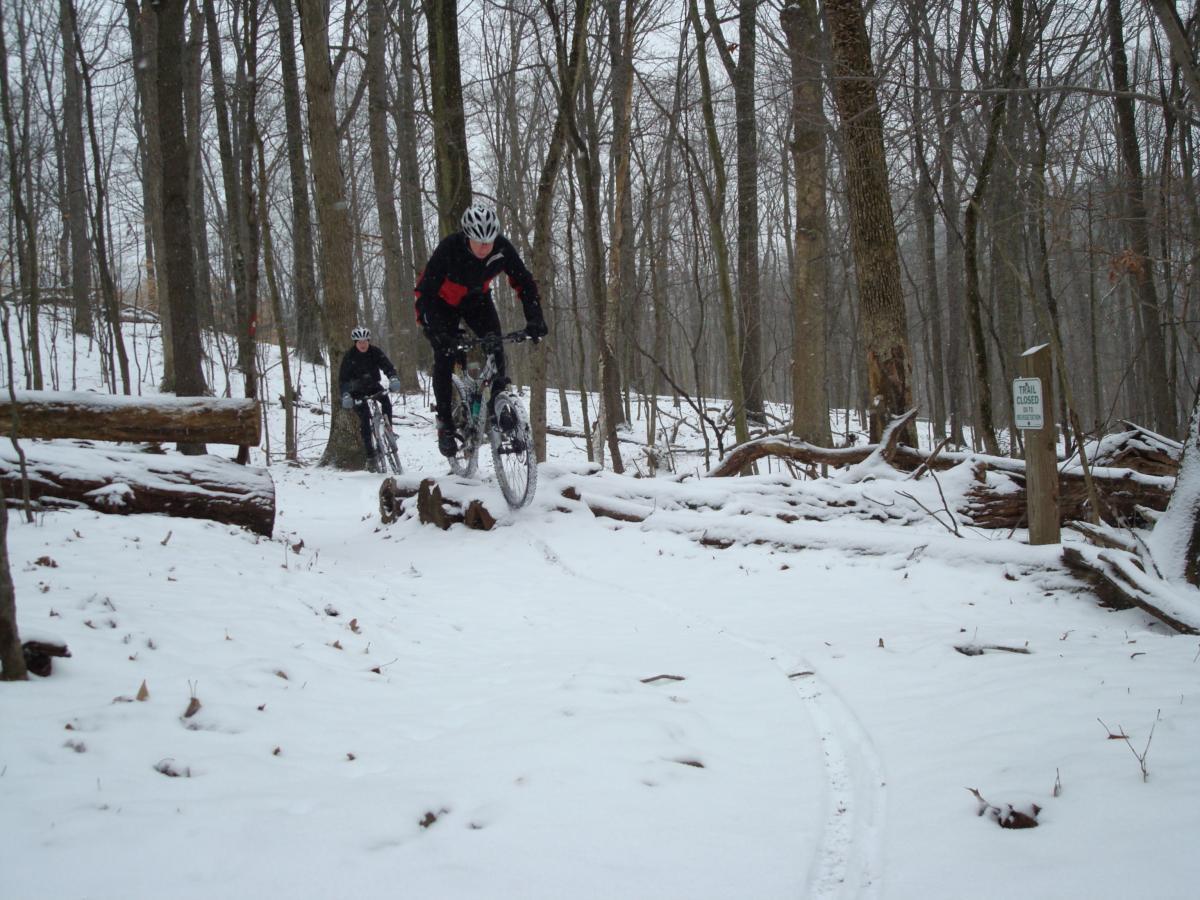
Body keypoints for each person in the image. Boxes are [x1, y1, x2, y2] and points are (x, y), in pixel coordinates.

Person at [414, 202, 547, 457]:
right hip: (443, 304)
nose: (485, 248)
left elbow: (524, 282)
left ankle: (499, 400)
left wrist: (535, 319)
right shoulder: (449, 249)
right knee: (444, 358)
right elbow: (425, 292)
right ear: (467, 236)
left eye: (489, 241)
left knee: (495, 342)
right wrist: (434, 331)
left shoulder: (501, 248)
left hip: (476, 300)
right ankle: (445, 423)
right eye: (479, 242)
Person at [338, 327, 402, 471]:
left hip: (373, 385)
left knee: (385, 401)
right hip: (356, 391)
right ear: (355, 342)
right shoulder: (349, 356)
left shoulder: (375, 352)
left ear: (368, 341)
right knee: (365, 417)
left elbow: (387, 366)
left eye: (365, 341)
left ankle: (389, 429)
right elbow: (343, 380)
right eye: (359, 342)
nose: (363, 344)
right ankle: (370, 455)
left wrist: (393, 377)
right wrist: (346, 395)